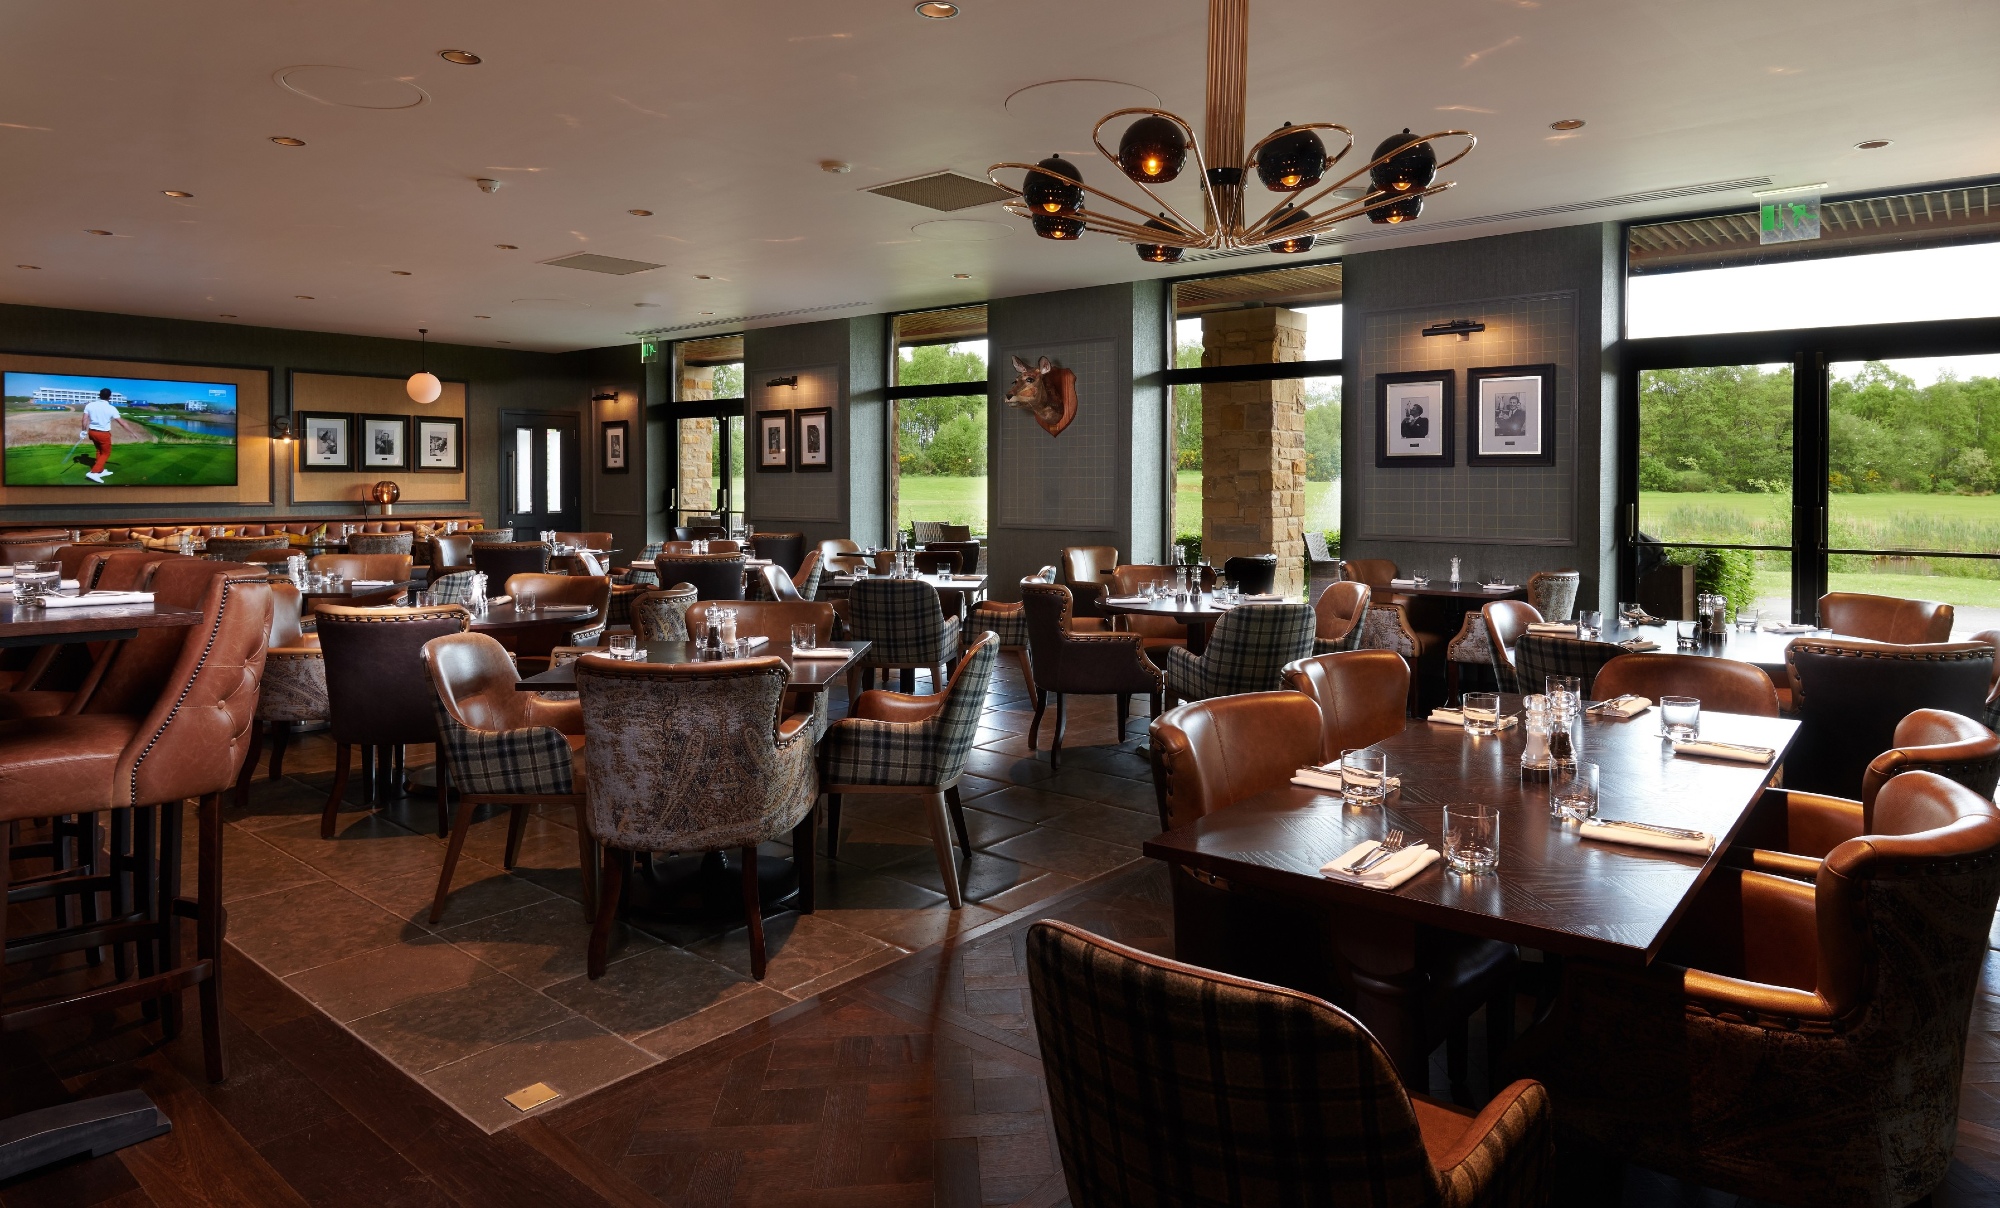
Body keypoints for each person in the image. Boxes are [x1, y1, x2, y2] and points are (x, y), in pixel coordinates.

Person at [81, 387, 118, 484]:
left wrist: (83, 431)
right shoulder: (111, 408)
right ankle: (94, 472)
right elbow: (121, 422)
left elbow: (84, 419)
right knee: (106, 453)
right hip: (103, 434)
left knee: (99, 451)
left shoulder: (90, 405)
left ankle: (100, 470)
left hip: (92, 432)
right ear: (110, 397)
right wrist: (132, 432)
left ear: (99, 395)